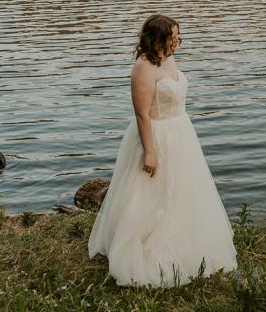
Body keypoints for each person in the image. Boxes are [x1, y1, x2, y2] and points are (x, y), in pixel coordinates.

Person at [88, 14, 237, 286]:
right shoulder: (143, 68)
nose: (177, 42)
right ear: (158, 38)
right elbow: (142, 114)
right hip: (156, 136)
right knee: (150, 194)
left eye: (178, 37)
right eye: (173, 37)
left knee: (182, 190)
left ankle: (186, 243)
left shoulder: (168, 58)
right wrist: (150, 151)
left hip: (181, 133)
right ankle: (144, 243)